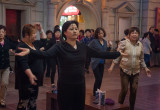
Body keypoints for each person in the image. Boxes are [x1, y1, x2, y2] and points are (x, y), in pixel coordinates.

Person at [15, 21, 121, 110]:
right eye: (71, 29)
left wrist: (118, 53)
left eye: (76, 28)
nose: (75, 31)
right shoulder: (59, 46)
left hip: (80, 84)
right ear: (65, 32)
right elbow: (46, 54)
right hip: (65, 85)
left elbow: (100, 54)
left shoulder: (82, 46)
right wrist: (30, 51)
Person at [108, 27, 151, 110]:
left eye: (136, 33)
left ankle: (132, 108)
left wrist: (146, 69)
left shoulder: (140, 45)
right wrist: (112, 66)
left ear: (138, 34)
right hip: (124, 70)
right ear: (129, 34)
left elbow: (141, 59)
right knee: (124, 89)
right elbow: (118, 55)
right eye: (132, 33)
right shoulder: (124, 43)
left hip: (136, 71)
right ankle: (120, 106)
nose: (134, 35)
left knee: (134, 90)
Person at [15, 23, 46, 110]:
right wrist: (30, 75)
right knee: (24, 102)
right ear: (26, 35)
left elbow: (44, 41)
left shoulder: (34, 44)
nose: (35, 35)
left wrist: (41, 30)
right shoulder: (21, 46)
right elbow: (23, 64)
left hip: (34, 78)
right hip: (26, 80)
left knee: (33, 101)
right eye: (33, 33)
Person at [88, 27, 112, 96]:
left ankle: (98, 91)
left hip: (102, 62)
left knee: (100, 79)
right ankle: (95, 92)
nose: (100, 34)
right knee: (98, 78)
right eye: (99, 33)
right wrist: (93, 56)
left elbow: (106, 52)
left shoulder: (104, 42)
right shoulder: (94, 41)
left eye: (101, 33)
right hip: (95, 62)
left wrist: (109, 46)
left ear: (104, 33)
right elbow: (88, 49)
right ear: (96, 34)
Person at [0, 25, 18, 107]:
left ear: (5, 33)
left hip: (6, 67)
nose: (0, 34)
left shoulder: (7, 41)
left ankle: (2, 101)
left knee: (5, 84)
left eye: (2, 32)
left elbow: (15, 45)